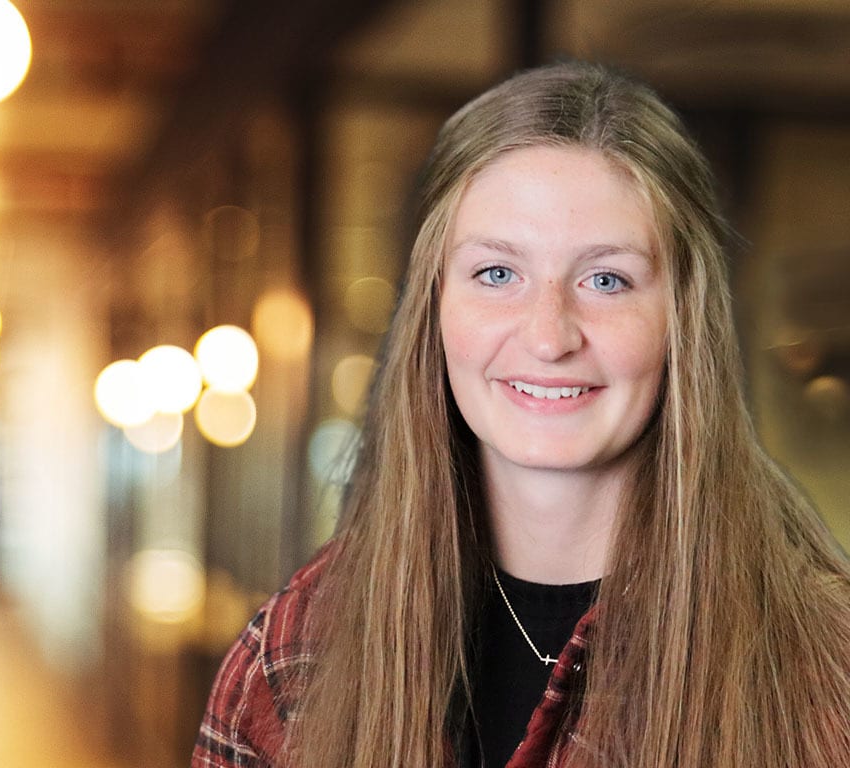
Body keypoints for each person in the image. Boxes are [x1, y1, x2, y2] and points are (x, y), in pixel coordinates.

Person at [191, 61, 850, 768]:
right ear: (434, 307)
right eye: (497, 273)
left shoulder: (824, 666)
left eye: (606, 279)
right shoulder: (294, 655)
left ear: (684, 322)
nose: (547, 335)